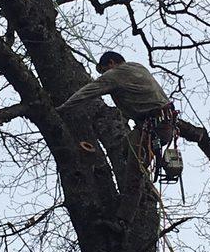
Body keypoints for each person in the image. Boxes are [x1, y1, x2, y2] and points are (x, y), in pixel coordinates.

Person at [57, 51, 174, 232]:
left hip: (153, 127)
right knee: (127, 148)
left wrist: (63, 108)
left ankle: (123, 222)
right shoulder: (137, 66)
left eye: (104, 70)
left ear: (111, 63)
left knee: (133, 173)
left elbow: (87, 92)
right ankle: (144, 181)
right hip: (162, 124)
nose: (104, 75)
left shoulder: (115, 75)